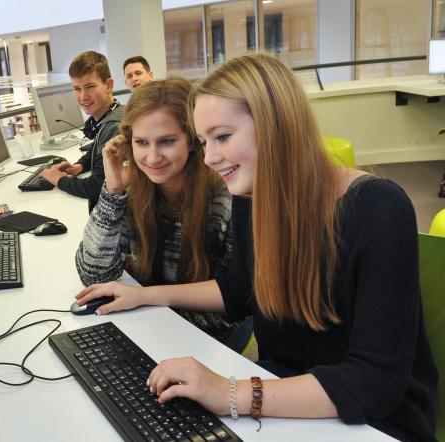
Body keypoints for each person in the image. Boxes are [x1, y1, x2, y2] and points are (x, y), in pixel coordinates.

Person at [75, 54, 437, 441]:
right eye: (204, 142)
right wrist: (144, 295)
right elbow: (237, 290)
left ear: (275, 124)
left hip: (372, 419)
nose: (210, 158)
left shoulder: (379, 207)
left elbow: (375, 382)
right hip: (283, 390)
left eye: (222, 137)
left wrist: (231, 393)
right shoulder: (251, 194)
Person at [75, 77, 244, 345]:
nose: (153, 158)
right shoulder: (133, 191)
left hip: (204, 336)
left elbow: (235, 301)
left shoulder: (227, 198)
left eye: (166, 141)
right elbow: (95, 275)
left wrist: (147, 308)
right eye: (142, 142)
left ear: (192, 140)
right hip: (150, 319)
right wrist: (113, 191)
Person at [40, 51, 123, 212]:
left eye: (90, 87)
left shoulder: (113, 126)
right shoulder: (113, 115)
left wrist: (59, 180)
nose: (83, 96)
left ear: (109, 85)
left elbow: (96, 188)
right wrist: (79, 166)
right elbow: (97, 149)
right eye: (77, 89)